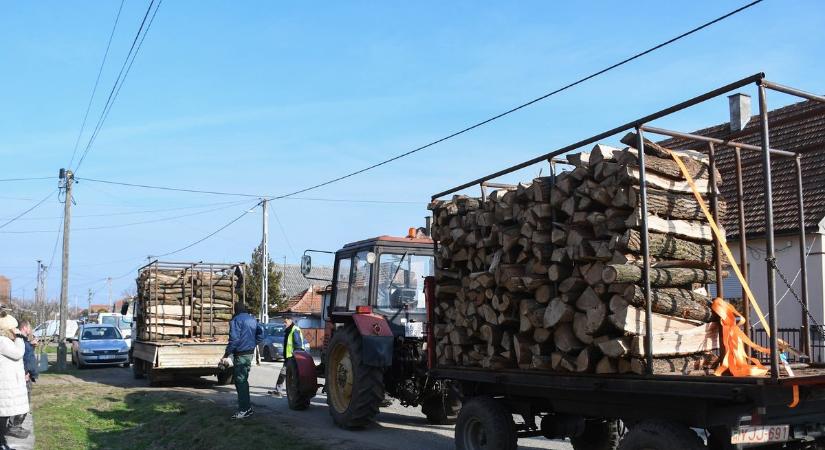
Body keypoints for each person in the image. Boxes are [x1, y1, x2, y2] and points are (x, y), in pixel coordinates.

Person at [222, 303, 262, 420]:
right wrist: (253, 344)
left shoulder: (236, 320)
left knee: (240, 381)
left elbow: (234, 339)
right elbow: (261, 334)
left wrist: (226, 353)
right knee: (243, 380)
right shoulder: (252, 319)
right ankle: (247, 408)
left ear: (236, 310)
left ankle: (243, 410)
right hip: (249, 353)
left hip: (241, 354)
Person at [0, 313, 29, 448]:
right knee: (2, 416)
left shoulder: (6, 341)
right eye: (15, 328)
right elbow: (18, 353)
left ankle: (2, 443)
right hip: (4, 385)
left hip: (7, 384)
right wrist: (19, 338)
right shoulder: (2, 341)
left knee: (4, 415)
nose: (16, 330)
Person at [269, 316, 305, 397]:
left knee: (284, 374)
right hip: (289, 357)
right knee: (285, 374)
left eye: (285, 322)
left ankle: (280, 391)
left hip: (292, 358)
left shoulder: (294, 330)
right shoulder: (289, 330)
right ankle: (279, 391)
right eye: (283, 322)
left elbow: (298, 346)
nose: (284, 324)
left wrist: (296, 357)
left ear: (290, 321)